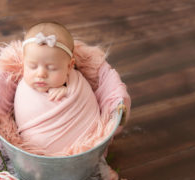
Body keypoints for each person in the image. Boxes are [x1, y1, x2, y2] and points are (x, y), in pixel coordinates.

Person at [14, 22, 123, 155]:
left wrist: (66, 90)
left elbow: (84, 101)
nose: (41, 74)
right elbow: (23, 113)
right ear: (23, 62)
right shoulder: (23, 88)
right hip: (36, 149)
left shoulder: (77, 82)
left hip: (84, 143)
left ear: (69, 66)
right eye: (32, 66)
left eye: (51, 68)